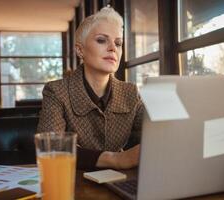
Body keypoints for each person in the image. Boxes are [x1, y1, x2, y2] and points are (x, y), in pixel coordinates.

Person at [37, 6, 144, 170]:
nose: (113, 48)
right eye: (102, 40)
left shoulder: (131, 92)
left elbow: (156, 136)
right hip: (74, 183)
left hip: (120, 182)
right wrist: (116, 159)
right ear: (80, 50)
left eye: (118, 43)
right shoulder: (56, 91)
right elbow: (52, 148)